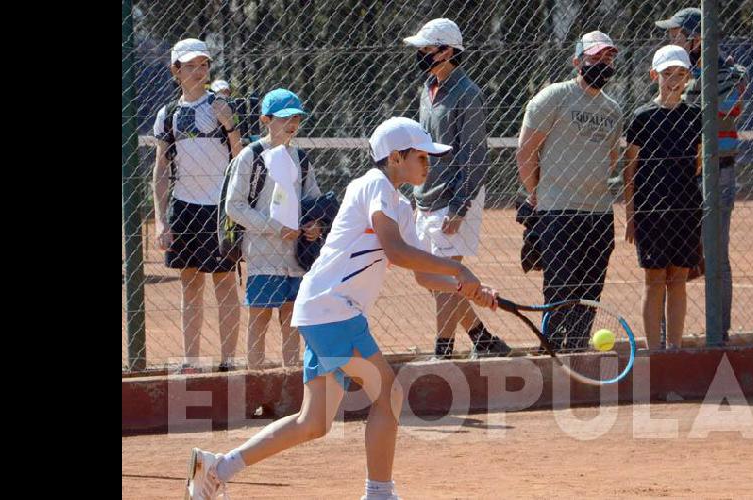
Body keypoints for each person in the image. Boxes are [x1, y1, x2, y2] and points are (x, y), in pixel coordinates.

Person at [185, 117, 500, 500]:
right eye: (421, 156)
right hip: (333, 309)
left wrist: (469, 288)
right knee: (389, 395)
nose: (429, 164)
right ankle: (379, 493)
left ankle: (216, 469)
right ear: (396, 157)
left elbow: (421, 275)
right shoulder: (373, 185)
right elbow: (397, 253)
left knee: (313, 422)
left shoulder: (400, 205)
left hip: (325, 310)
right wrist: (457, 267)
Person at [403, 18, 512, 359]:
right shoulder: (427, 87)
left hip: (453, 200)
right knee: (432, 279)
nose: (420, 54)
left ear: (447, 51)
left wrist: (459, 208)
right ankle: (483, 339)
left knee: (445, 281)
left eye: (426, 48)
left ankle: (443, 353)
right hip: (426, 197)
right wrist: (415, 194)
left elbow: (476, 158)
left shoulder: (469, 94)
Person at [516, 31, 623, 351]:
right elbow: (525, 151)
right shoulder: (554, 97)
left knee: (591, 289)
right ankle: (550, 349)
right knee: (560, 287)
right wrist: (536, 194)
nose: (603, 63)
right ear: (577, 61)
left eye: (608, 58)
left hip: (599, 212)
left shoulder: (612, 109)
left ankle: (576, 347)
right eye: (595, 57)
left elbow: (611, 158)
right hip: (558, 209)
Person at [151, 38, 244, 372]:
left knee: (224, 284)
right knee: (190, 285)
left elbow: (240, 160)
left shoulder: (221, 107)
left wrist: (229, 125)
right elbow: (160, 169)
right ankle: (191, 362)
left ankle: (229, 361)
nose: (199, 71)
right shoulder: (168, 115)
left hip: (218, 210)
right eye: (190, 65)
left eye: (203, 64)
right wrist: (162, 220)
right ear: (176, 70)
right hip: (184, 207)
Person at [656, 6, 748, 340]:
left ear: (696, 38)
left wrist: (700, 76)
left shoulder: (730, 72)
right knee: (670, 255)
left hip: (717, 171)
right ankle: (666, 338)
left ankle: (718, 335)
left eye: (676, 34)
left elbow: (722, 108)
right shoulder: (674, 70)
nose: (670, 39)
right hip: (679, 172)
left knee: (716, 257)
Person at [224, 88, 324, 369]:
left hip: (296, 257)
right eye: (283, 118)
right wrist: (273, 227)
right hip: (263, 254)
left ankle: (291, 381)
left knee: (292, 318)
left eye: (296, 118)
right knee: (260, 317)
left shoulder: (301, 158)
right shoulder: (250, 156)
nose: (291, 123)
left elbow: (313, 201)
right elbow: (234, 206)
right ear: (265, 119)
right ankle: (256, 380)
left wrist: (313, 226)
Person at [623, 45, 703, 350]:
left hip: (686, 209)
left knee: (678, 281)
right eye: (667, 73)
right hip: (651, 213)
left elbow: (697, 161)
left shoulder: (695, 116)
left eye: (680, 74)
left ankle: (674, 348)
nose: (674, 80)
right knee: (654, 281)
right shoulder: (642, 117)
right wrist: (631, 215)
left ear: (688, 78)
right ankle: (654, 351)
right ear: (654, 75)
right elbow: (630, 169)